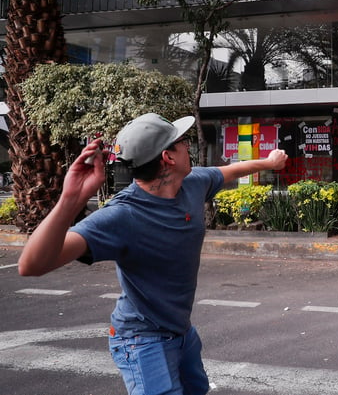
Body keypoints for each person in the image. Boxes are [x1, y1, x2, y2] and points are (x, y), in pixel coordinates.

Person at [18, 112, 288, 395]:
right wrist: (71, 199)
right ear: (168, 158)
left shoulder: (193, 183)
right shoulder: (123, 216)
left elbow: (230, 170)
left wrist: (270, 163)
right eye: (181, 142)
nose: (188, 147)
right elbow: (32, 265)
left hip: (181, 333)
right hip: (142, 341)